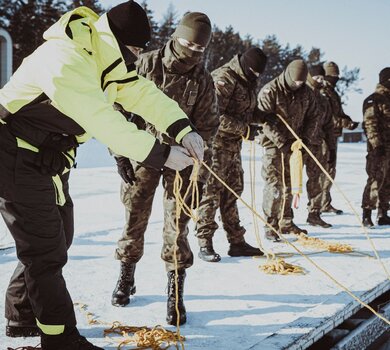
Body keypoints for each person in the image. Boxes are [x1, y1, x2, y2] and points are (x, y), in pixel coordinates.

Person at [0, 1, 203, 349]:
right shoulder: (65, 58)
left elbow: (140, 92)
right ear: (119, 40)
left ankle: (22, 314)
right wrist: (162, 154)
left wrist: (182, 128)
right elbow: (103, 120)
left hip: (46, 157)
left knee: (59, 237)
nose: (138, 57)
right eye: (136, 49)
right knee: (45, 250)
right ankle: (59, 338)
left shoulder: (103, 59)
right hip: (12, 154)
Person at [111, 12, 218, 326]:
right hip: (142, 154)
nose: (192, 53)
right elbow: (116, 110)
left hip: (182, 163)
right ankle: (126, 276)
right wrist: (120, 153)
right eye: (188, 44)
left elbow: (209, 126)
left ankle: (174, 289)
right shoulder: (144, 64)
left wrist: (194, 151)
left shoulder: (203, 79)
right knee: (134, 217)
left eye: (200, 50)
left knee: (177, 225)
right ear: (176, 36)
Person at [195, 47, 268, 262]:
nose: (256, 76)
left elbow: (243, 110)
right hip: (214, 146)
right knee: (211, 193)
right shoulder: (224, 77)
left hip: (233, 147)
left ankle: (236, 242)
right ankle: (204, 242)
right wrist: (244, 129)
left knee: (232, 192)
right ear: (246, 64)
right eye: (254, 72)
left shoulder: (247, 79)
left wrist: (262, 117)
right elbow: (215, 115)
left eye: (258, 74)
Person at [257, 59, 320, 241]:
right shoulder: (271, 90)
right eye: (296, 82)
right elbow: (265, 121)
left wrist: (306, 138)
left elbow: (314, 116)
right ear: (288, 76)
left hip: (295, 144)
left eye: (301, 82)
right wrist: (281, 142)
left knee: (291, 183)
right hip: (273, 144)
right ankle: (271, 224)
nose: (298, 85)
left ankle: (286, 221)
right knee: (275, 185)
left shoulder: (306, 92)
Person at [320, 61, 359, 215]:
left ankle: (325, 202)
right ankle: (319, 203)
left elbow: (338, 113)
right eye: (333, 75)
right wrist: (346, 123)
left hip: (333, 135)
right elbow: (326, 117)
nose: (335, 78)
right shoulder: (323, 92)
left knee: (330, 170)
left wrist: (347, 118)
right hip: (324, 136)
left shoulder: (333, 92)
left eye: (337, 76)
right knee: (325, 169)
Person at [304, 64, 336, 228]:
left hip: (317, 144)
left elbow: (329, 125)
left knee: (316, 179)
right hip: (298, 144)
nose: (319, 81)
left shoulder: (323, 99)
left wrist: (331, 147)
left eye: (322, 78)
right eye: (316, 77)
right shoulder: (301, 93)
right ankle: (283, 218)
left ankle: (314, 213)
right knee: (287, 182)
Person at [361, 67, 390, 227]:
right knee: (375, 180)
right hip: (378, 150)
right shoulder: (374, 99)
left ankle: (383, 213)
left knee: (388, 182)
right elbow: (370, 124)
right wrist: (377, 145)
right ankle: (367, 213)